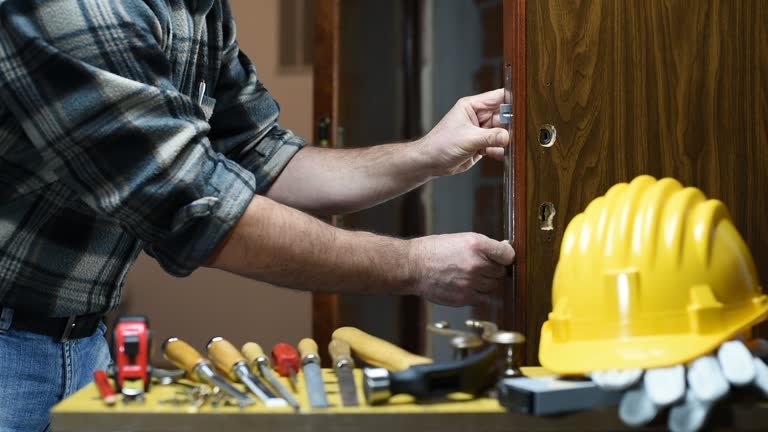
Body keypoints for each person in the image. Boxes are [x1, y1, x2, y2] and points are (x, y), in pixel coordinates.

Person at [0, 0, 514, 430]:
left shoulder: (199, 11)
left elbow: (264, 156)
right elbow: (197, 208)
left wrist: (426, 154)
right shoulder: (74, 9)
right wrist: (416, 265)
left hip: (85, 339)